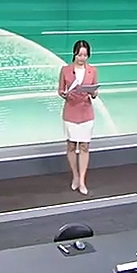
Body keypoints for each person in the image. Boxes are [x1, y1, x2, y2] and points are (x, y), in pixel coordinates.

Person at [58, 39, 98, 194]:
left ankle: (82, 180)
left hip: (86, 112)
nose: (82, 58)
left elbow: (94, 92)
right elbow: (60, 90)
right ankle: (75, 176)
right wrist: (64, 94)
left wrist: (93, 92)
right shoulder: (65, 70)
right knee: (71, 145)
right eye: (80, 55)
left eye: (85, 55)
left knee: (84, 146)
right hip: (71, 111)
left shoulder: (92, 71)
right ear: (74, 54)